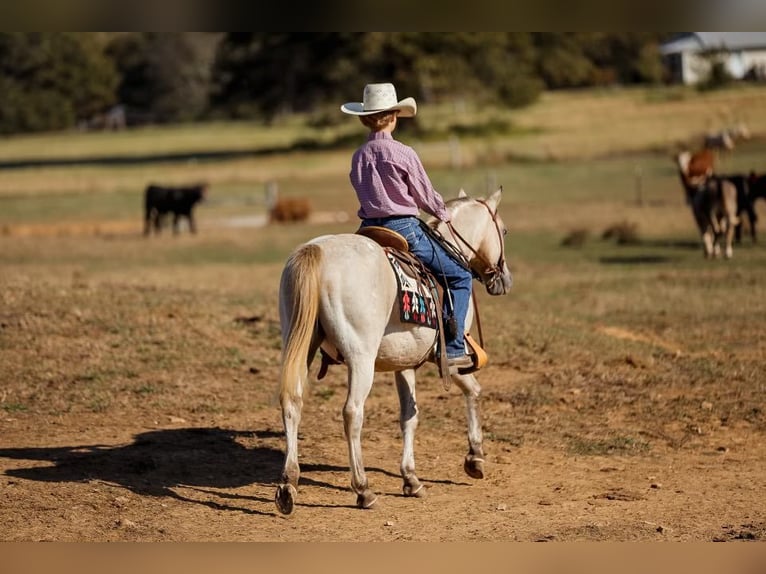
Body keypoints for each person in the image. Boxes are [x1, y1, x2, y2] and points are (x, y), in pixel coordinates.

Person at [341, 82, 474, 371]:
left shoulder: (358, 156)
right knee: (460, 275)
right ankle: (452, 349)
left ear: (365, 118)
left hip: (368, 229)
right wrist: (443, 213)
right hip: (404, 228)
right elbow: (424, 195)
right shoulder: (403, 153)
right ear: (393, 117)